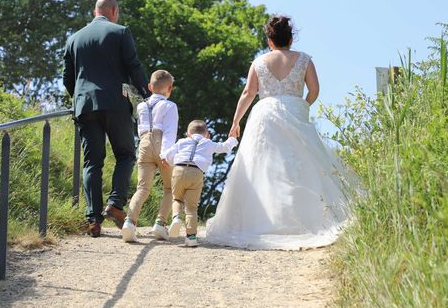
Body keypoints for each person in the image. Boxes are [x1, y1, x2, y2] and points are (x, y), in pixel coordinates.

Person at [206, 15, 358, 250]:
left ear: (270, 40)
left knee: (264, 165)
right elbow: (315, 90)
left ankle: (262, 221)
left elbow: (248, 93)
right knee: (303, 162)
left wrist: (236, 122)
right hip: (294, 109)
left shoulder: (258, 62)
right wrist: (302, 105)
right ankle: (306, 217)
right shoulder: (304, 59)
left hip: (264, 113)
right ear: (291, 38)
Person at [63, 0, 150, 237]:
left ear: (95, 12)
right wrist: (146, 94)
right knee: (125, 154)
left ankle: (93, 219)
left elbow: (67, 79)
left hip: (85, 107)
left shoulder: (74, 39)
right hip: (115, 104)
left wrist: (81, 99)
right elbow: (133, 66)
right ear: (113, 11)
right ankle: (115, 204)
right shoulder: (120, 32)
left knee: (92, 162)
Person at [122, 70, 179, 243]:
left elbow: (140, 129)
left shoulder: (141, 106)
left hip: (144, 143)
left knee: (142, 188)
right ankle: (160, 223)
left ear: (149, 87)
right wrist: (165, 153)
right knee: (170, 188)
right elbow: (170, 131)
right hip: (162, 142)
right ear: (170, 88)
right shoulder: (170, 106)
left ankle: (130, 222)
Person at [164, 120, 238, 247]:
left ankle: (176, 218)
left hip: (179, 170)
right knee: (192, 207)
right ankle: (191, 237)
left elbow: (168, 155)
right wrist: (233, 138)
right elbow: (224, 147)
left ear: (188, 133)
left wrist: (170, 162)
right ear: (207, 134)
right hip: (196, 172)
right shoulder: (208, 142)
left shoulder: (182, 141)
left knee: (177, 199)